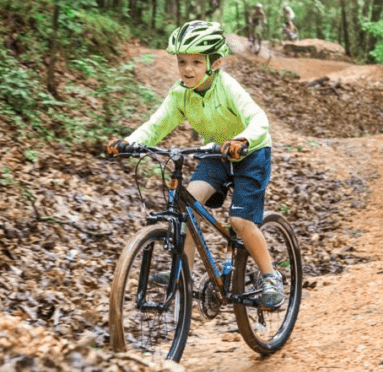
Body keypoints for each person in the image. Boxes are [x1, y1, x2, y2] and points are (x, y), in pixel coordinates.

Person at [106, 20, 283, 308]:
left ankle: (271, 277)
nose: (188, 69)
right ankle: (183, 273)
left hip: (251, 153)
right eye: (182, 61)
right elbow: (156, 124)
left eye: (197, 62)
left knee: (240, 220)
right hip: (216, 155)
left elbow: (259, 120)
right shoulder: (181, 94)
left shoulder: (227, 87)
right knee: (187, 204)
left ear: (215, 63)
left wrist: (243, 139)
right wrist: (129, 142)